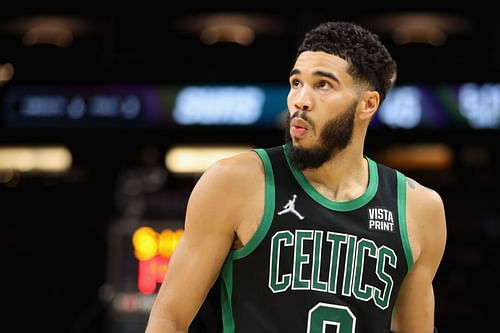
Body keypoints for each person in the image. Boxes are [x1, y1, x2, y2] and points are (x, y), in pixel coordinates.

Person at [145, 20, 447, 333]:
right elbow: (169, 318)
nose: (300, 100)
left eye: (323, 85)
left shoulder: (418, 208)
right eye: (296, 83)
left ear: (367, 104)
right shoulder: (235, 181)